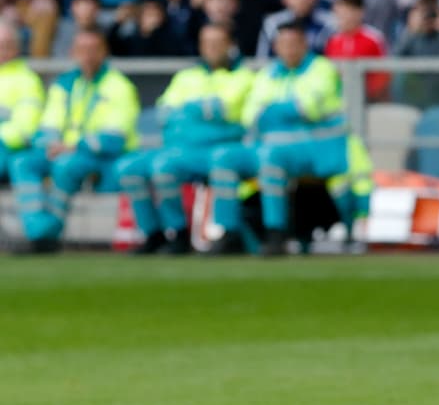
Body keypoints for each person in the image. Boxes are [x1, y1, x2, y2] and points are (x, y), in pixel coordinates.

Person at [116, 22, 255, 255]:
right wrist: (201, 112)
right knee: (128, 168)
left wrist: (186, 114)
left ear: (230, 45)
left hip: (220, 148)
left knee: (171, 166)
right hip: (181, 149)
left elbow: (227, 110)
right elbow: (164, 113)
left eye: (217, 42)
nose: (211, 48)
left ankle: (227, 234)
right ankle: (159, 233)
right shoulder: (186, 76)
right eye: (206, 43)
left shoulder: (244, 76)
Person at [208, 21, 345, 256]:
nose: (288, 49)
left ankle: (276, 232)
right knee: (224, 157)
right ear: (276, 46)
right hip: (269, 148)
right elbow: (250, 114)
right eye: (283, 44)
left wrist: (271, 111)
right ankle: (230, 232)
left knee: (271, 156)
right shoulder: (268, 73)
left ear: (304, 45)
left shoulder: (322, 69)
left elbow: (310, 107)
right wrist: (283, 110)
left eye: (293, 44)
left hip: (313, 150)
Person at [10, 27, 139, 253]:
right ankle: (37, 229)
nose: (87, 55)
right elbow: (47, 124)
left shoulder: (118, 86)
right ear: (73, 52)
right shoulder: (65, 84)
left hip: (102, 158)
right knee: (23, 162)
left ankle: (46, 235)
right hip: (64, 151)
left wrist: (74, 146)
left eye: (93, 49)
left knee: (65, 165)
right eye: (82, 49)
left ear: (103, 52)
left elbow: (115, 138)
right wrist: (50, 144)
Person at [0, 19, 46, 184]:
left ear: (16, 47)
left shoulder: (27, 80)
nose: (2, 50)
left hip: (8, 147)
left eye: (6, 44)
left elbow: (25, 127)